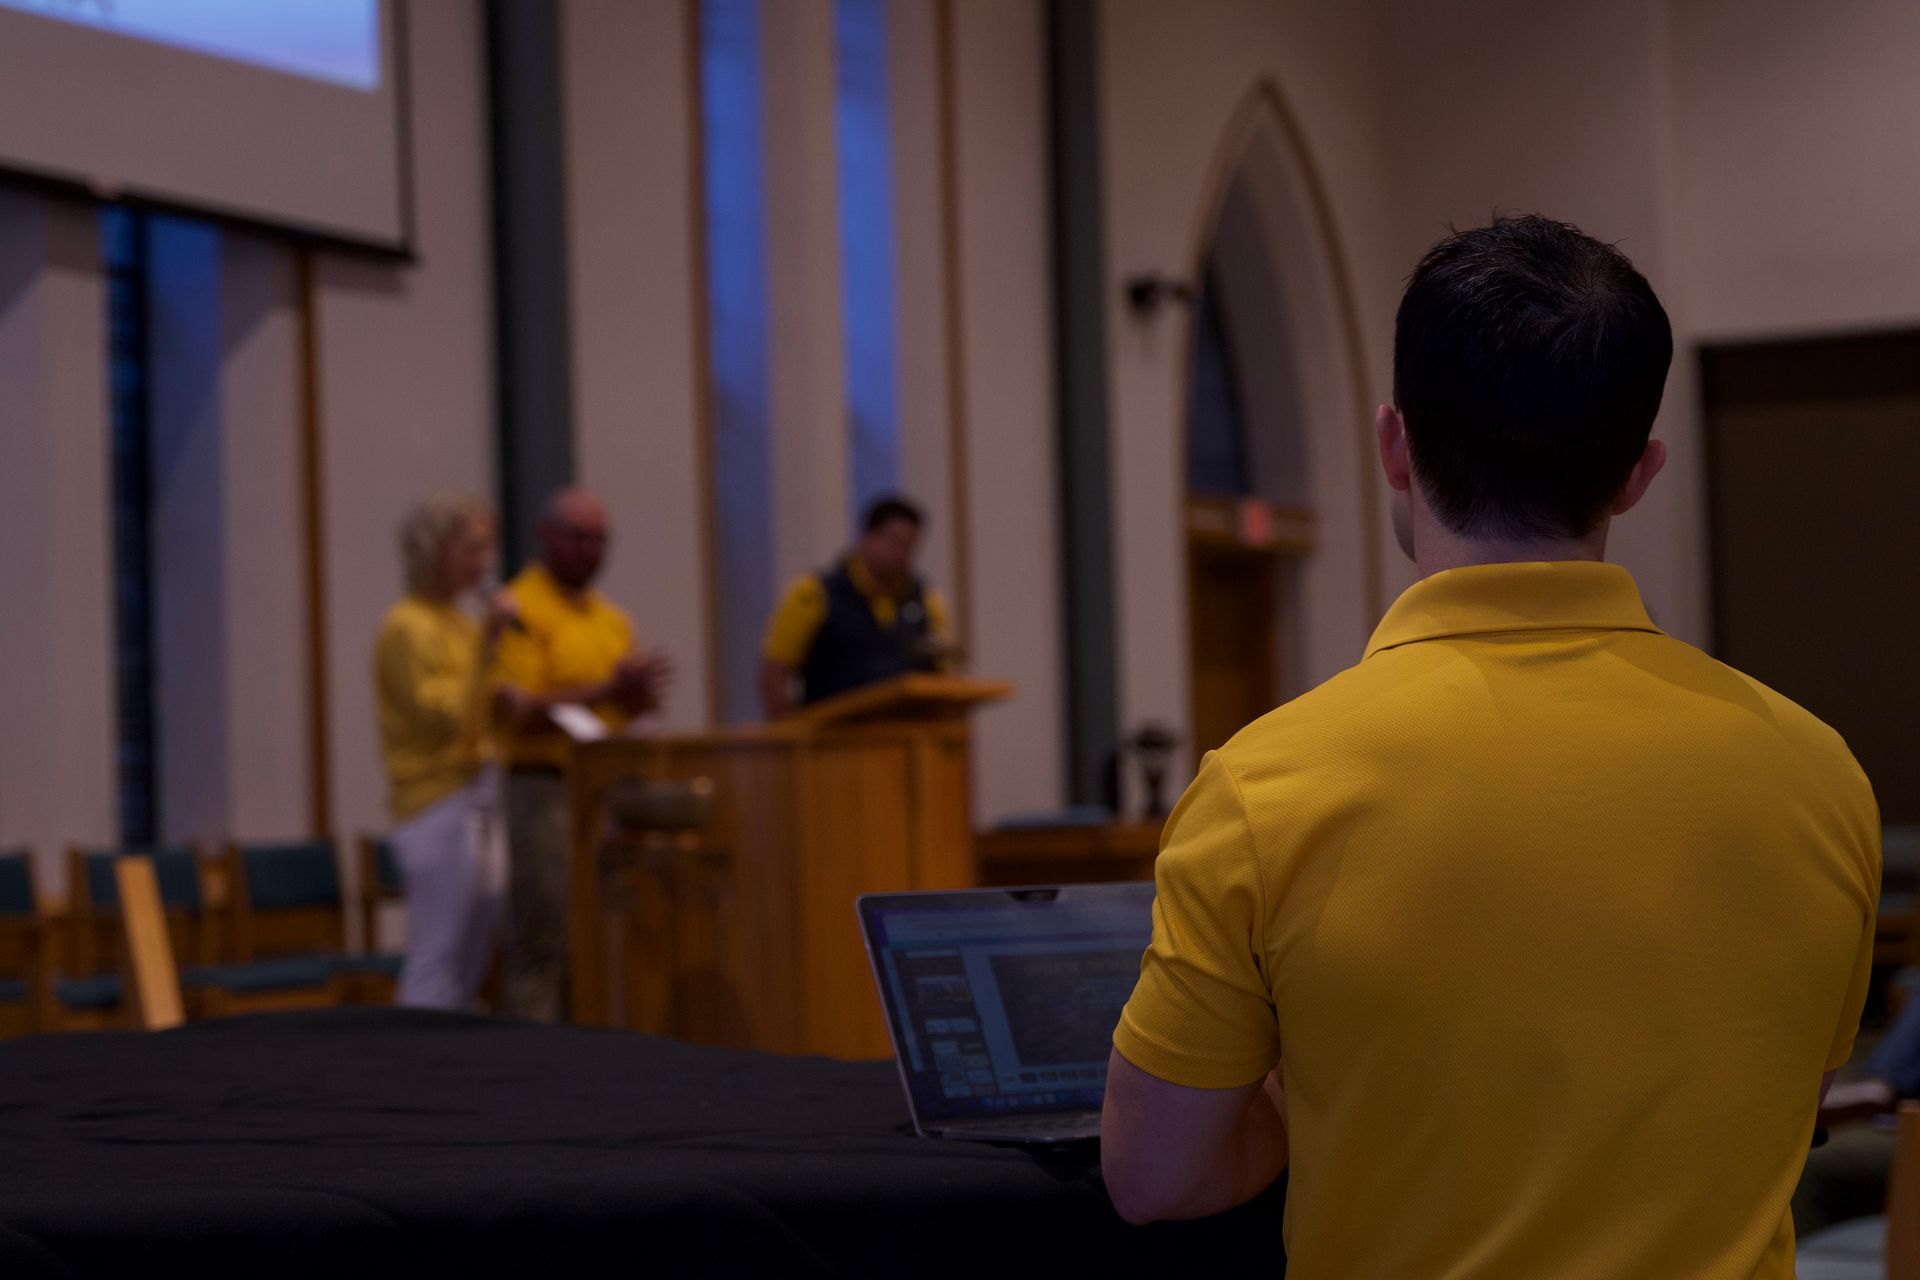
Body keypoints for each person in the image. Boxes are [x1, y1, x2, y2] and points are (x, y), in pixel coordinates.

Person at [1101, 215, 1881, 1278]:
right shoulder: (1817, 770)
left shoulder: (1266, 785)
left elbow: (1155, 1175)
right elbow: (1791, 1084)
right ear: (1638, 472)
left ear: (1393, 444)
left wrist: (1313, 1070)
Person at [492, 488, 670, 1022]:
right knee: (543, 936)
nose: (591, 550)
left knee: (596, 938)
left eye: (599, 539)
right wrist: (607, 691)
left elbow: (616, 708)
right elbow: (517, 709)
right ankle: (531, 1062)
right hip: (541, 789)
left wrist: (639, 698)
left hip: (605, 790)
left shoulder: (612, 619)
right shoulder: (518, 608)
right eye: (578, 537)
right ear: (545, 536)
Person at [372, 494, 514, 1011]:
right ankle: (419, 1060)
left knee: (476, 945)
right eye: (472, 548)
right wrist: (487, 646)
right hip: (434, 803)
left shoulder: (460, 622)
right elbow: (444, 717)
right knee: (438, 948)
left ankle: (454, 1049)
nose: (484, 563)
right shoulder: (407, 627)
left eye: (488, 548)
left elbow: (481, 705)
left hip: (480, 791)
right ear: (436, 551)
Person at [758, 494, 954, 718]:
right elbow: (774, 673)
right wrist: (791, 735)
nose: (900, 554)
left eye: (909, 547)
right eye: (893, 542)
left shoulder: (927, 601)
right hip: (834, 740)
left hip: (906, 740)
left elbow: (945, 674)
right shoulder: (813, 593)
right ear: (867, 536)